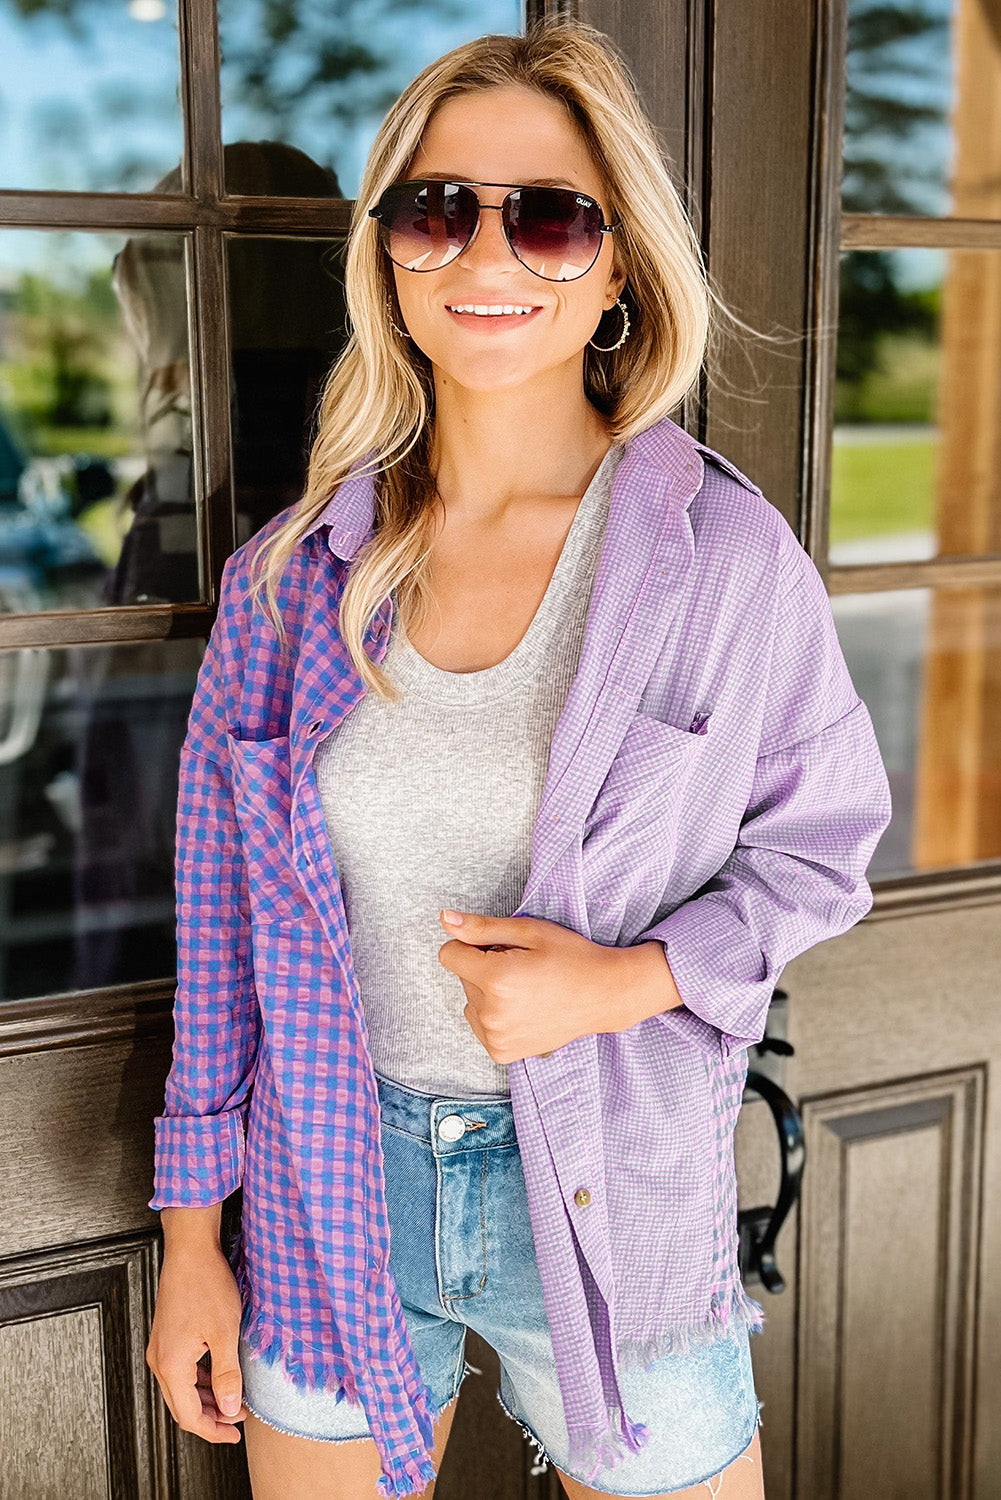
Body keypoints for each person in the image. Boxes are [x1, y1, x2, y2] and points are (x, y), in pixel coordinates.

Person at [145, 18, 892, 1500]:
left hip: (616, 1186)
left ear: (616, 265)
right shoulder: (292, 577)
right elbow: (218, 927)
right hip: (325, 1186)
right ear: (388, 256)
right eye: (437, 210)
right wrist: (188, 1245)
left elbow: (822, 850)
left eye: (548, 217)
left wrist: (615, 980)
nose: (486, 258)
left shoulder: (719, 563)